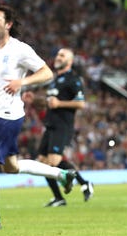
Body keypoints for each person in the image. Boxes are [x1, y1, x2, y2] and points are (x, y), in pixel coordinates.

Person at [0, 5, 76, 230]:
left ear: (8, 24)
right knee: (11, 167)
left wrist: (21, 82)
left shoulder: (20, 49)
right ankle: (61, 174)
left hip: (7, 115)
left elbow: (46, 73)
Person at [22, 48, 94, 207]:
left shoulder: (74, 79)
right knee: (42, 162)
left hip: (63, 125)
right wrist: (34, 99)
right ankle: (59, 197)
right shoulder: (54, 80)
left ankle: (85, 183)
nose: (58, 57)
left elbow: (81, 103)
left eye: (62, 55)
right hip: (50, 124)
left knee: (54, 161)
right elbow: (49, 103)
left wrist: (60, 103)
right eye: (58, 55)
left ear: (70, 61)